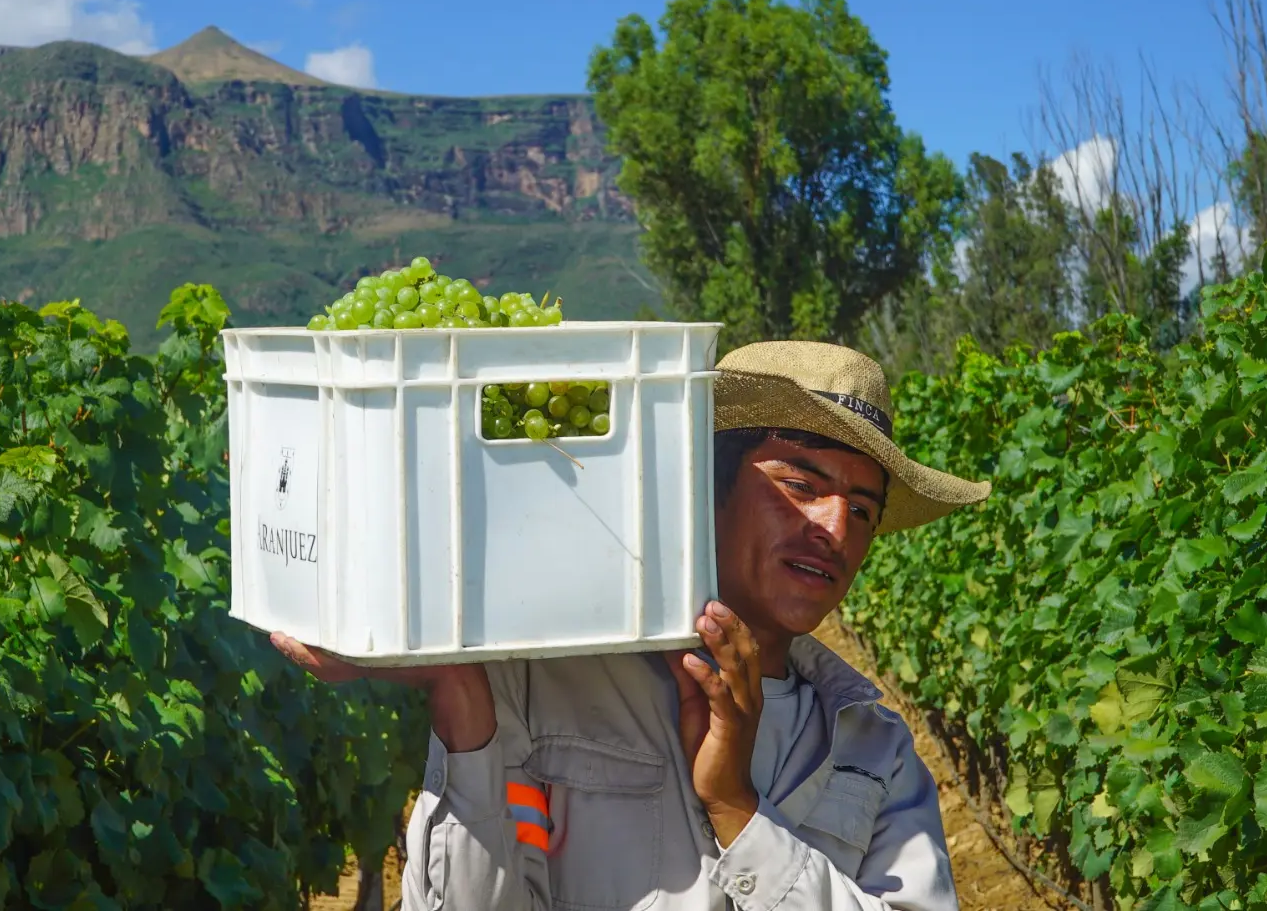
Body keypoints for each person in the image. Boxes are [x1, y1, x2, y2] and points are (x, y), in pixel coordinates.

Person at [271, 340, 992, 910]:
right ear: (704, 485)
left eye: (862, 508)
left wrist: (737, 806)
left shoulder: (878, 753)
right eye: (801, 484)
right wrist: (460, 694)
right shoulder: (549, 687)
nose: (834, 527)